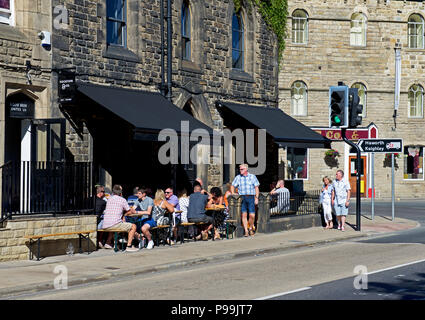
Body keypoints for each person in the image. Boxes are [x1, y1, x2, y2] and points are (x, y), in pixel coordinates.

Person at [101, 185, 138, 252]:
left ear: (113, 192)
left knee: (113, 224)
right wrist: (129, 212)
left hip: (105, 224)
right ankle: (129, 246)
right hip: (114, 224)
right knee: (133, 226)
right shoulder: (122, 199)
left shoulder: (109, 199)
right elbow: (129, 210)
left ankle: (108, 243)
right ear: (121, 193)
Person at [231, 163, 260, 237]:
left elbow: (256, 187)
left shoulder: (252, 177)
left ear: (246, 169)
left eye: (242, 169)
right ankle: (246, 231)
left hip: (251, 197)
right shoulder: (238, 177)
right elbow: (232, 186)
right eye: (240, 169)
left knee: (252, 215)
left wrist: (256, 198)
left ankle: (250, 228)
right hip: (242, 197)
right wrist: (233, 193)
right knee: (244, 214)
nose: (240, 170)